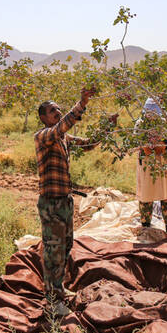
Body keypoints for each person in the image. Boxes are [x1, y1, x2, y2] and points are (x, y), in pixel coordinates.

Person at [34, 89, 115, 317]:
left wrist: (108, 127)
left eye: (59, 108)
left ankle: (58, 289)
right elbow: (62, 126)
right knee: (53, 251)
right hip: (51, 203)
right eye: (52, 111)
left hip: (65, 202)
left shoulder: (63, 138)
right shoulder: (43, 136)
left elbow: (89, 144)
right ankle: (52, 301)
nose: (57, 112)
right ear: (43, 118)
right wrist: (81, 104)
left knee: (66, 247)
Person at [134, 98, 167, 233]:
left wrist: (157, 146)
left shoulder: (165, 125)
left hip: (165, 163)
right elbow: (145, 149)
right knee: (146, 195)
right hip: (147, 165)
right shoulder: (140, 124)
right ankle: (146, 227)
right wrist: (151, 147)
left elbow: (164, 147)